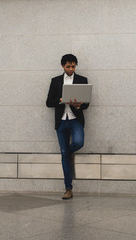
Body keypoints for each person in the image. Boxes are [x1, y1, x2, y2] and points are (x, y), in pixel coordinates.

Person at [46, 54, 89, 199]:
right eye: (68, 66)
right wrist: (61, 99)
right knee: (64, 155)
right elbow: (48, 102)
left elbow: (87, 104)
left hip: (75, 119)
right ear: (63, 66)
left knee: (78, 142)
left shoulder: (82, 80)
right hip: (61, 121)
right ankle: (68, 189)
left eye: (73, 66)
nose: (71, 69)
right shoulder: (55, 81)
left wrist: (79, 104)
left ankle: (67, 152)